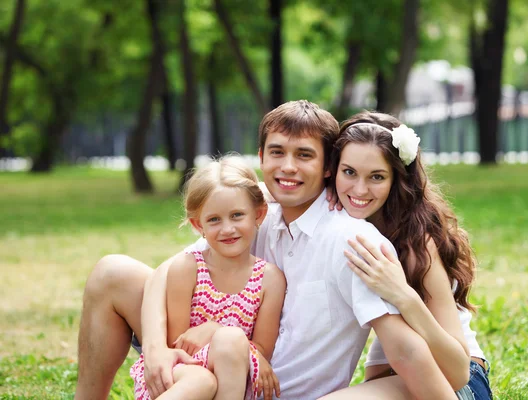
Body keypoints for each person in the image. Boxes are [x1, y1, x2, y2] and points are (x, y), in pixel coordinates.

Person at [75, 100, 459, 400]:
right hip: (210, 370)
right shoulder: (257, 215)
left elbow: (406, 351)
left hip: (273, 388)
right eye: (277, 152)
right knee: (113, 272)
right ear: (260, 158)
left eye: (304, 155)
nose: (288, 166)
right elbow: (172, 269)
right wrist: (156, 348)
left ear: (328, 166)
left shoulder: (352, 240)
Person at [318, 111, 492, 399]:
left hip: (458, 383)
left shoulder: (416, 244)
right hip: (398, 374)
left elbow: (458, 368)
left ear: (396, 179)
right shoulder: (335, 220)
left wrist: (402, 294)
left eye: (376, 176)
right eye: (349, 172)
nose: (359, 189)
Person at [127, 155, 286, 400]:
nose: (227, 229)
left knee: (231, 338)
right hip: (184, 373)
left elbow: (262, 349)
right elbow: (177, 345)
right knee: (202, 380)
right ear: (198, 225)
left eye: (237, 215)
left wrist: (216, 330)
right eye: (214, 220)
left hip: (234, 376)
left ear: (259, 215)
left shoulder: (270, 279)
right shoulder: (188, 268)